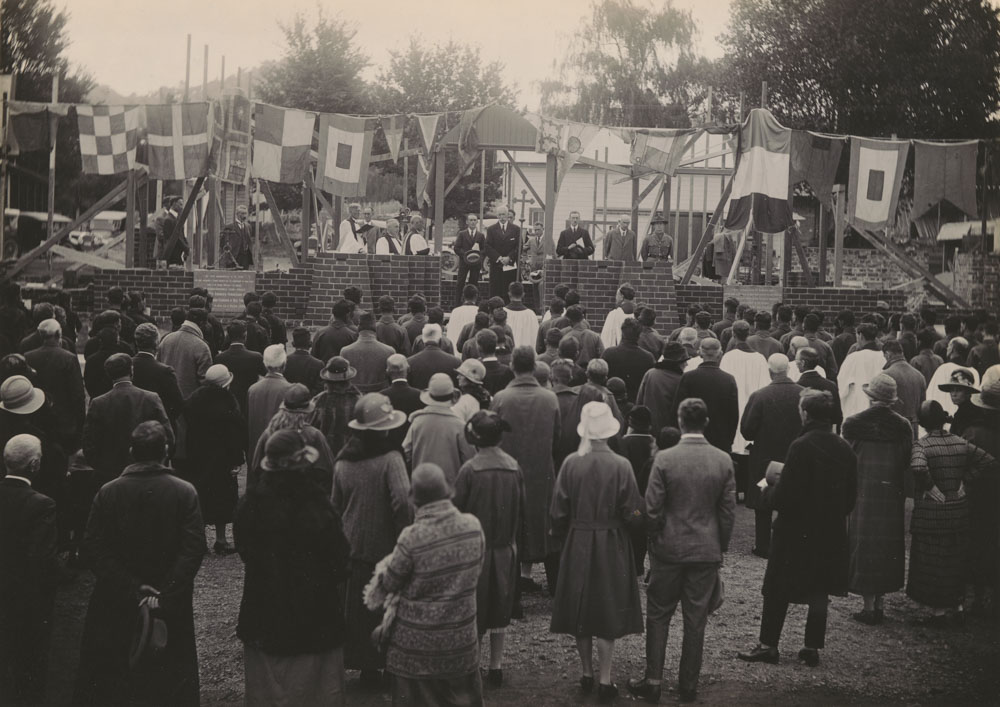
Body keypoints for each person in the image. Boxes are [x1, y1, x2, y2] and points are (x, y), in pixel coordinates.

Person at [75, 421, 204, 707]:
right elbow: (194, 548)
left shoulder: (108, 492)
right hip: (168, 600)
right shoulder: (184, 492)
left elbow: (93, 547)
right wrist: (166, 591)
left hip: (117, 597)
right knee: (169, 677)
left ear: (132, 452)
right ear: (166, 451)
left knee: (117, 673)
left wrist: (131, 586)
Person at [737, 390, 857, 668]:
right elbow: (851, 497)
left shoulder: (801, 446)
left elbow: (785, 496)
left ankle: (768, 645)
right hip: (829, 529)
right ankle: (811, 647)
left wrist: (769, 490)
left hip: (795, 529)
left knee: (777, 588)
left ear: (805, 413)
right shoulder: (845, 448)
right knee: (819, 590)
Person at [627, 398, 735, 704]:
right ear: (707, 422)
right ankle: (688, 685)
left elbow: (652, 509)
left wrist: (655, 540)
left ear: (680, 420)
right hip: (705, 550)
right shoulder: (722, 460)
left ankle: (653, 680)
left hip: (668, 549)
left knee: (659, 615)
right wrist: (720, 546)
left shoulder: (665, 459)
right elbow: (727, 512)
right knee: (695, 619)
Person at [235, 428, 351, 707]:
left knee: (269, 691)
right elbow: (339, 558)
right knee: (316, 691)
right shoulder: (318, 504)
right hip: (316, 614)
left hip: (264, 609)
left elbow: (245, 551)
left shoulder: (250, 503)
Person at [364, 463, 485, 706]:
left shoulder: (412, 537)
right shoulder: (473, 527)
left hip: (414, 650)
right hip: (460, 642)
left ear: (414, 501)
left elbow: (389, 583)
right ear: (448, 492)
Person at [550, 401, 643, 702]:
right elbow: (632, 510)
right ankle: (605, 678)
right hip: (611, 540)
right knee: (606, 606)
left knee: (580, 606)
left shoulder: (571, 463)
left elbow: (558, 510)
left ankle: (586, 672)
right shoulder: (621, 465)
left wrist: (564, 531)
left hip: (579, 538)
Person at [331, 393, 411, 685]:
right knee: (389, 603)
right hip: (387, 544)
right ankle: (390, 662)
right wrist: (405, 534)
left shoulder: (343, 461)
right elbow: (403, 501)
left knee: (361, 606)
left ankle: (367, 667)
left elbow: (335, 505)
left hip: (353, 544)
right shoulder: (391, 460)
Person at [907, 400, 997, 624]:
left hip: (932, 513)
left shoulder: (922, 445)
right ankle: (956, 607)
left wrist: (930, 487)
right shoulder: (959, 442)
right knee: (954, 560)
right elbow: (988, 461)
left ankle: (938, 613)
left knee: (932, 560)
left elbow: (918, 467)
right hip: (958, 511)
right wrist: (964, 482)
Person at [453, 410, 524, 688]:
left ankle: (474, 664)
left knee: (475, 608)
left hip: (474, 549)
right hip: (505, 547)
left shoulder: (469, 469)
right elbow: (523, 508)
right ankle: (496, 665)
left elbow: (457, 508)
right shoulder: (513, 466)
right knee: (500, 606)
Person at [842, 373, 914, 625]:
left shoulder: (853, 424)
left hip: (863, 490)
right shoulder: (904, 426)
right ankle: (880, 603)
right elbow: (907, 460)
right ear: (892, 400)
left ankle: (869, 605)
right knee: (886, 546)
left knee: (863, 544)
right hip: (891, 492)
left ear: (870, 397)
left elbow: (846, 459)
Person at [491, 346, 561, 594]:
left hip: (508, 471)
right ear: (533, 367)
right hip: (541, 471)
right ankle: (554, 587)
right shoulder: (550, 399)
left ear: (512, 366)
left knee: (511, 524)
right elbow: (557, 434)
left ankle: (512, 591)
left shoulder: (500, 399)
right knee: (545, 524)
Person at [0, 434, 60, 706]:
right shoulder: (42, 504)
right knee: (29, 666)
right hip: (25, 600)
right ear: (34, 465)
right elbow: (42, 560)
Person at [741, 354, 804, 558]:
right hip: (795, 455)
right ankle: (792, 543)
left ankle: (763, 545)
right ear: (788, 370)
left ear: (770, 371)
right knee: (795, 499)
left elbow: (747, 430)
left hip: (765, 457)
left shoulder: (760, 396)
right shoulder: (803, 394)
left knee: (763, 500)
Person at [83, 354, 173, 486]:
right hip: (148, 473)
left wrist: (102, 467)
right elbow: (168, 436)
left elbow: (89, 443)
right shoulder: (151, 398)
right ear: (131, 370)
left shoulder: (98, 403)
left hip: (110, 474)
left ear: (109, 374)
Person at [183, 364, 246, 554]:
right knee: (223, 498)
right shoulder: (228, 402)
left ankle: (199, 540)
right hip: (222, 457)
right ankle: (221, 539)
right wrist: (237, 459)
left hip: (197, 454)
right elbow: (235, 433)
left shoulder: (194, 399)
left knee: (199, 494)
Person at [24, 317, 86, 452]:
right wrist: (80, 422)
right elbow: (77, 394)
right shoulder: (68, 358)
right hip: (64, 422)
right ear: (58, 334)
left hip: (37, 419)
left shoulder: (28, 357)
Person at [670, 338, 739, 454]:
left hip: (691, 439)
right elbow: (733, 415)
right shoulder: (729, 380)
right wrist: (728, 441)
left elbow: (677, 410)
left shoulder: (688, 377)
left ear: (700, 353)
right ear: (720, 354)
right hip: (720, 441)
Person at [402, 373, 472, 482]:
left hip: (421, 483)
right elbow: (469, 458)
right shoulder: (459, 425)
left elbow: (407, 450)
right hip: (450, 489)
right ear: (452, 396)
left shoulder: (418, 421)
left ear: (430, 395)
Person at [720, 321, 770, 463]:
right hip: (752, 410)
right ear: (748, 334)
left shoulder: (728, 357)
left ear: (733, 335)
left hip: (733, 409)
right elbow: (765, 387)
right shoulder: (760, 359)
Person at [311, 356, 362, 459]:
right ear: (348, 379)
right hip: (351, 458)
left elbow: (310, 429)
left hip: (323, 458)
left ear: (328, 380)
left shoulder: (318, 401)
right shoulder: (359, 401)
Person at [636, 342, 688, 434]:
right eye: (685, 360)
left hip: (649, 430)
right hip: (671, 433)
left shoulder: (650, 374)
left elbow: (639, 402)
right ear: (679, 361)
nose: (687, 364)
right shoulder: (681, 380)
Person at [338, 311, 395, 394]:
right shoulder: (389, 351)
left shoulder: (345, 352)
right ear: (375, 328)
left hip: (354, 400)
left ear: (358, 328)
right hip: (379, 400)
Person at [602, 317, 656, 404]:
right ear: (639, 335)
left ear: (622, 332)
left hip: (612, 403)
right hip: (637, 404)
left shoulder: (608, 354)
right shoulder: (648, 358)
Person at [838, 323, 886, 419]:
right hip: (879, 407)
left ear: (860, 336)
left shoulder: (853, 358)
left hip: (857, 407)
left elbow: (842, 381)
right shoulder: (884, 357)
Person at [882, 339, 927, 438]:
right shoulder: (919, 376)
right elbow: (922, 408)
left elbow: (881, 410)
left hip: (892, 430)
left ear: (887, 354)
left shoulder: (885, 375)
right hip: (913, 430)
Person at [793, 347, 843, 430]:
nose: (795, 363)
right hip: (827, 431)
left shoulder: (798, 386)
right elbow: (837, 416)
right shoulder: (831, 385)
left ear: (802, 363)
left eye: (796, 360)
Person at [406, 323, 461, 390]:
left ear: (423, 339)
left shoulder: (409, 362)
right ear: (440, 339)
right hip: (444, 398)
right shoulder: (456, 362)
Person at [486, 208, 520, 298]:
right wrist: (499, 258)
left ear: (507, 215)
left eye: (504, 215)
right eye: (500, 215)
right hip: (496, 265)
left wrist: (509, 257)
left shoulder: (516, 229)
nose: (502, 217)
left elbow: (519, 246)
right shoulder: (491, 229)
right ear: (497, 216)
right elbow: (488, 246)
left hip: (510, 265)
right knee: (495, 291)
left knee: (509, 290)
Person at [454, 214, 486, 305]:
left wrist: (478, 256)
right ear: (467, 222)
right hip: (464, 263)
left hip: (476, 264)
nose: (472, 222)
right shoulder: (462, 234)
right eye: (471, 220)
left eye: (474, 220)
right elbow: (456, 248)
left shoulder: (481, 235)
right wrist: (466, 255)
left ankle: (473, 303)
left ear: (477, 222)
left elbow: (484, 249)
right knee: (460, 283)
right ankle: (457, 304)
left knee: (474, 283)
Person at [938, 368, 981, 436]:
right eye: (952, 390)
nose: (954, 394)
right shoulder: (963, 411)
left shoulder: (967, 414)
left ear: (967, 392)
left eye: (958, 390)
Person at [283, 327, 324, 395]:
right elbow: (319, 389)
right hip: (309, 402)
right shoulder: (318, 364)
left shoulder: (285, 361)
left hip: (289, 400)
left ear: (293, 343)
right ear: (310, 343)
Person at [504, 281, 539, 349]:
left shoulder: (503, 313)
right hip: (526, 354)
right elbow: (535, 338)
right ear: (523, 294)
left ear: (509, 294)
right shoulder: (531, 314)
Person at [158, 195, 189, 265]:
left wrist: (187, 246)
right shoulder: (168, 220)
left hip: (178, 254)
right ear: (174, 204)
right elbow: (174, 238)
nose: (182, 207)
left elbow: (182, 235)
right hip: (173, 255)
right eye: (180, 204)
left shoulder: (177, 219)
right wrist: (186, 248)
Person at [226, 204, 254, 269]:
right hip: (234, 257)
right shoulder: (230, 227)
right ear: (237, 214)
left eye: (245, 213)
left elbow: (249, 241)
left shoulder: (248, 227)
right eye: (242, 213)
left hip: (245, 257)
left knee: (245, 276)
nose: (244, 216)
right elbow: (223, 243)